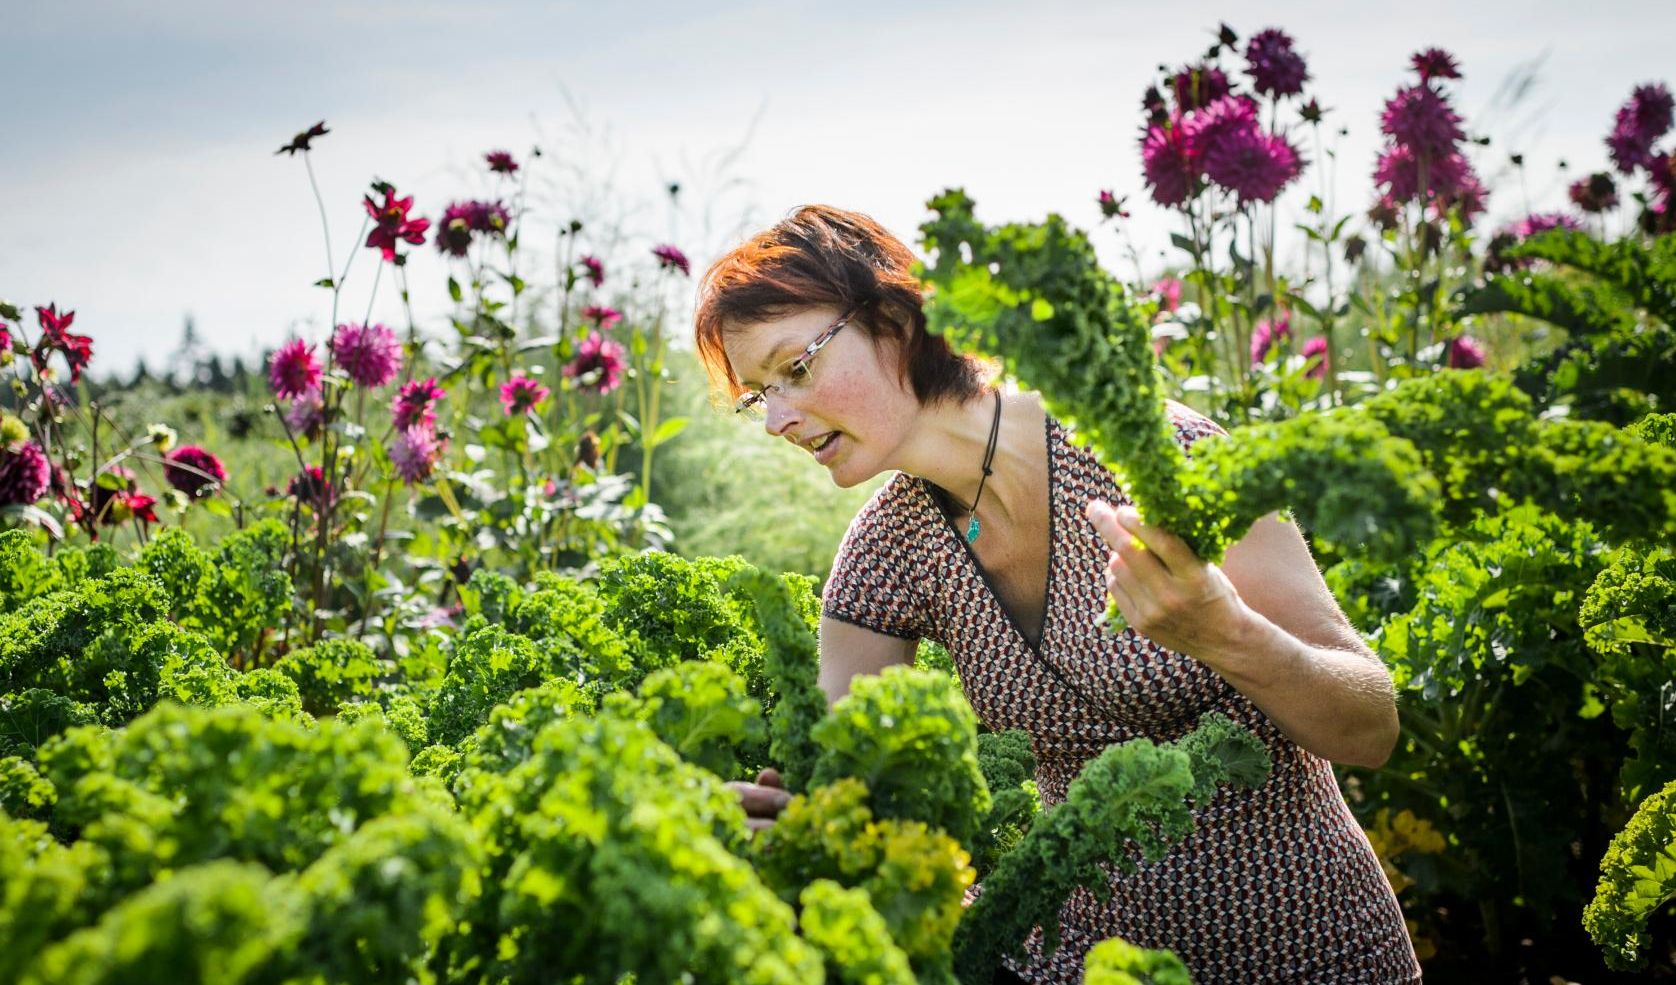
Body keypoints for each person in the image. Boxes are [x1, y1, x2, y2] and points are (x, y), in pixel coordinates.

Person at [693, 204, 1422, 985]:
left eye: (793, 369)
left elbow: (1370, 726)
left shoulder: (1160, 459)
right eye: (757, 396)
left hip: (1313, 953)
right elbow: (853, 780)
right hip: (1079, 968)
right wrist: (811, 827)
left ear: (895, 318)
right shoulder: (887, 550)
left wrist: (1227, 635)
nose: (774, 419)